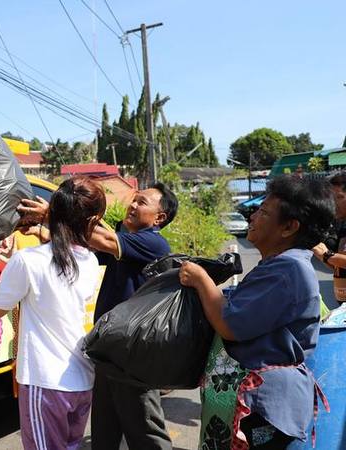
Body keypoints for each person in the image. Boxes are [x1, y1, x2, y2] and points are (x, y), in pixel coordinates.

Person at [19, 182, 179, 450]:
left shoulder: (154, 244)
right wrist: (42, 231)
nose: (133, 205)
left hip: (134, 357)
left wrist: (54, 215)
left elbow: (102, 240)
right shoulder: (124, 240)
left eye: (142, 202)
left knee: (145, 431)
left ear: (159, 217)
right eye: (134, 199)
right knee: (104, 432)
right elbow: (84, 247)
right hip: (108, 351)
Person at [179, 175, 335, 449]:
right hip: (258, 398)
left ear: (289, 227)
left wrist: (201, 279)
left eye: (263, 212)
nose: (253, 216)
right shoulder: (280, 264)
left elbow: (230, 323)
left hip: (261, 403)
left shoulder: (288, 268)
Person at [0, 176, 106, 450]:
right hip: (82, 380)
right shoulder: (90, 260)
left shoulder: (30, 261)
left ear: (50, 211)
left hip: (45, 382)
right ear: (91, 220)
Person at [312, 172, 346, 302]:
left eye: (338, 197)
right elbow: (339, 266)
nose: (332, 204)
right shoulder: (342, 226)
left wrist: (326, 254)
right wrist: (321, 255)